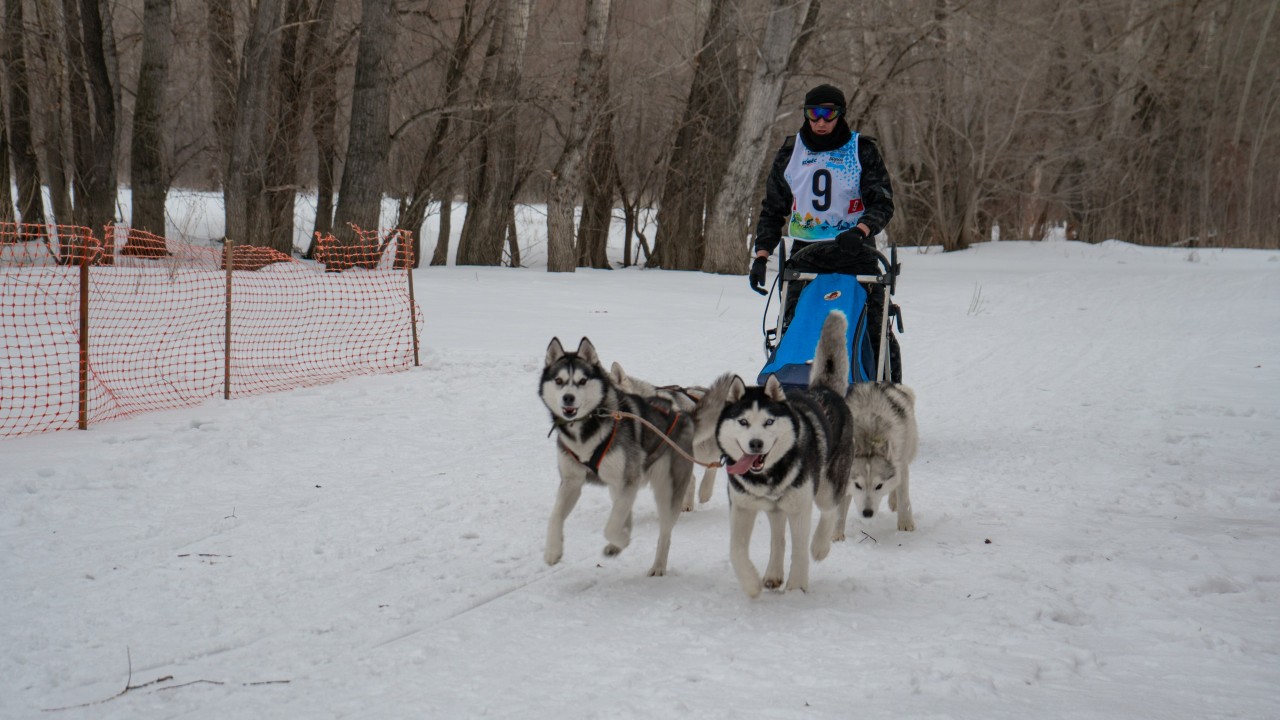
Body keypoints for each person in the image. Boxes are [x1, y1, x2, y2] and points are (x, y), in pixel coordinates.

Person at [749, 83, 901, 381]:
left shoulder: (862, 150)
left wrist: (861, 229)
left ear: (840, 115)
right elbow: (773, 208)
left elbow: (882, 200)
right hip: (806, 255)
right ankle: (794, 390)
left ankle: (885, 393)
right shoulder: (791, 152)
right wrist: (761, 255)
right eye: (813, 115)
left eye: (827, 115)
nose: (820, 122)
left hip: (856, 251)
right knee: (793, 328)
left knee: (874, 330)